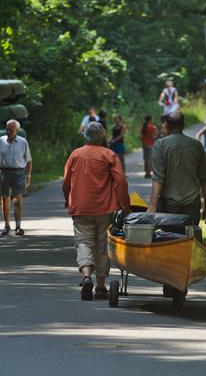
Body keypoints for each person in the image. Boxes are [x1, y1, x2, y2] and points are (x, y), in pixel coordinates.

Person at [63, 122, 131, 301]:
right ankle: (100, 287)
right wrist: (124, 205)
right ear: (102, 136)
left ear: (85, 135)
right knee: (102, 247)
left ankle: (86, 277)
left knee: (83, 242)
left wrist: (67, 199)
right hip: (104, 209)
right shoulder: (109, 155)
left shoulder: (75, 155)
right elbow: (120, 181)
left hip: (81, 207)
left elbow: (66, 182)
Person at [147, 111, 206, 226]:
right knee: (189, 239)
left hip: (168, 206)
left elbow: (158, 178)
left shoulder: (160, 145)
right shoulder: (196, 145)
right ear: (183, 125)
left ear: (167, 125)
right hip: (192, 204)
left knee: (168, 240)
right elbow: (204, 179)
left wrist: (152, 206)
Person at [0, 119, 32, 236]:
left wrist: (28, 175)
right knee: (5, 198)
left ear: (17, 130)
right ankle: (7, 225)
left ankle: (18, 226)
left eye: (11, 129)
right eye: (7, 128)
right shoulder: (0, 141)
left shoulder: (23, 142)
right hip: (4, 173)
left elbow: (28, 161)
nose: (8, 131)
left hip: (19, 173)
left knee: (18, 199)